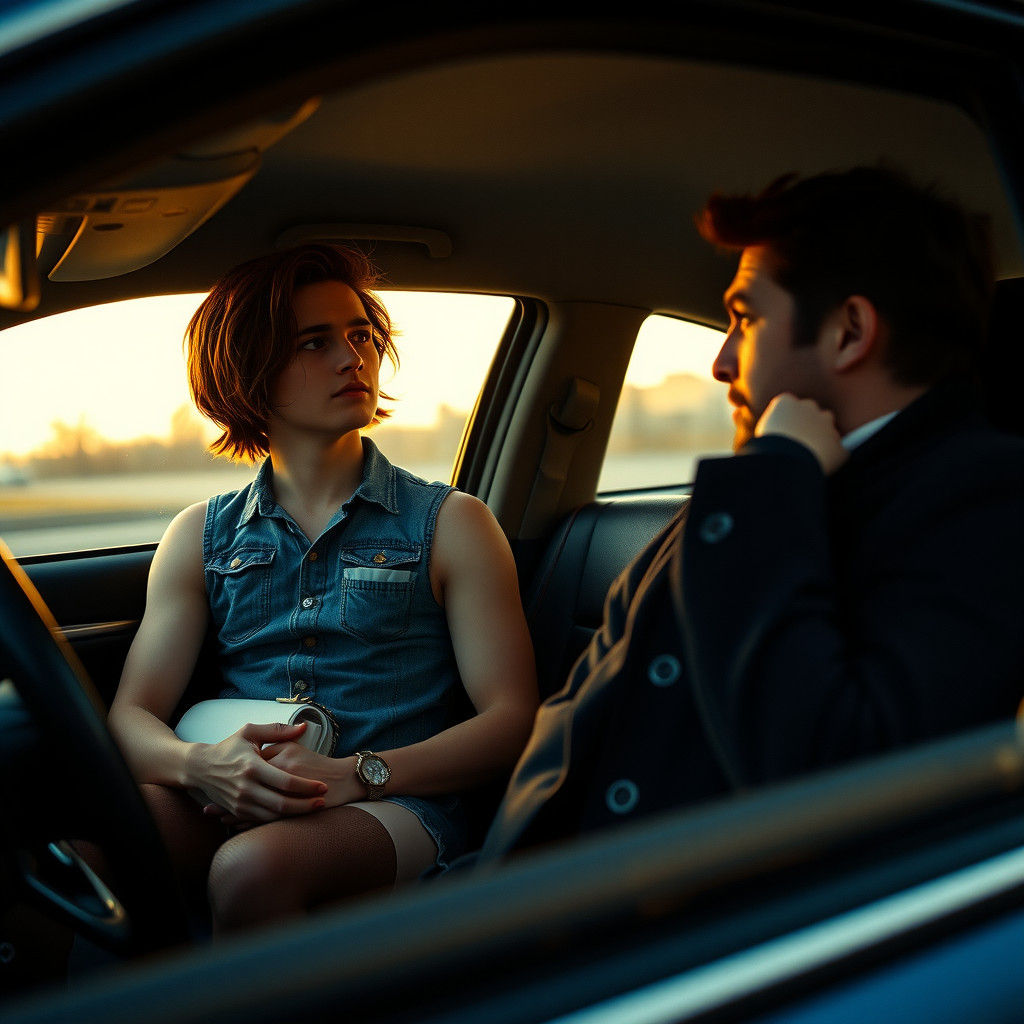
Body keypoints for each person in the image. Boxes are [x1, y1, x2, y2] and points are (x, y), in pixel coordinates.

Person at [479, 165, 1024, 860]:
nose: (722, 360)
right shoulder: (740, 501)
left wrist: (774, 476)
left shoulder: (988, 500)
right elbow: (569, 742)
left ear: (849, 332)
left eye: (746, 318)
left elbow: (836, 772)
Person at [108, 243, 538, 930]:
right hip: (236, 796)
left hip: (398, 807)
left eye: (361, 335)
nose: (352, 358)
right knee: (99, 840)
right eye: (315, 342)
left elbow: (513, 721)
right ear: (249, 373)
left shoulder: (452, 524)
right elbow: (130, 718)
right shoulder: (200, 536)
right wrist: (203, 767)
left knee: (252, 867)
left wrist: (361, 773)